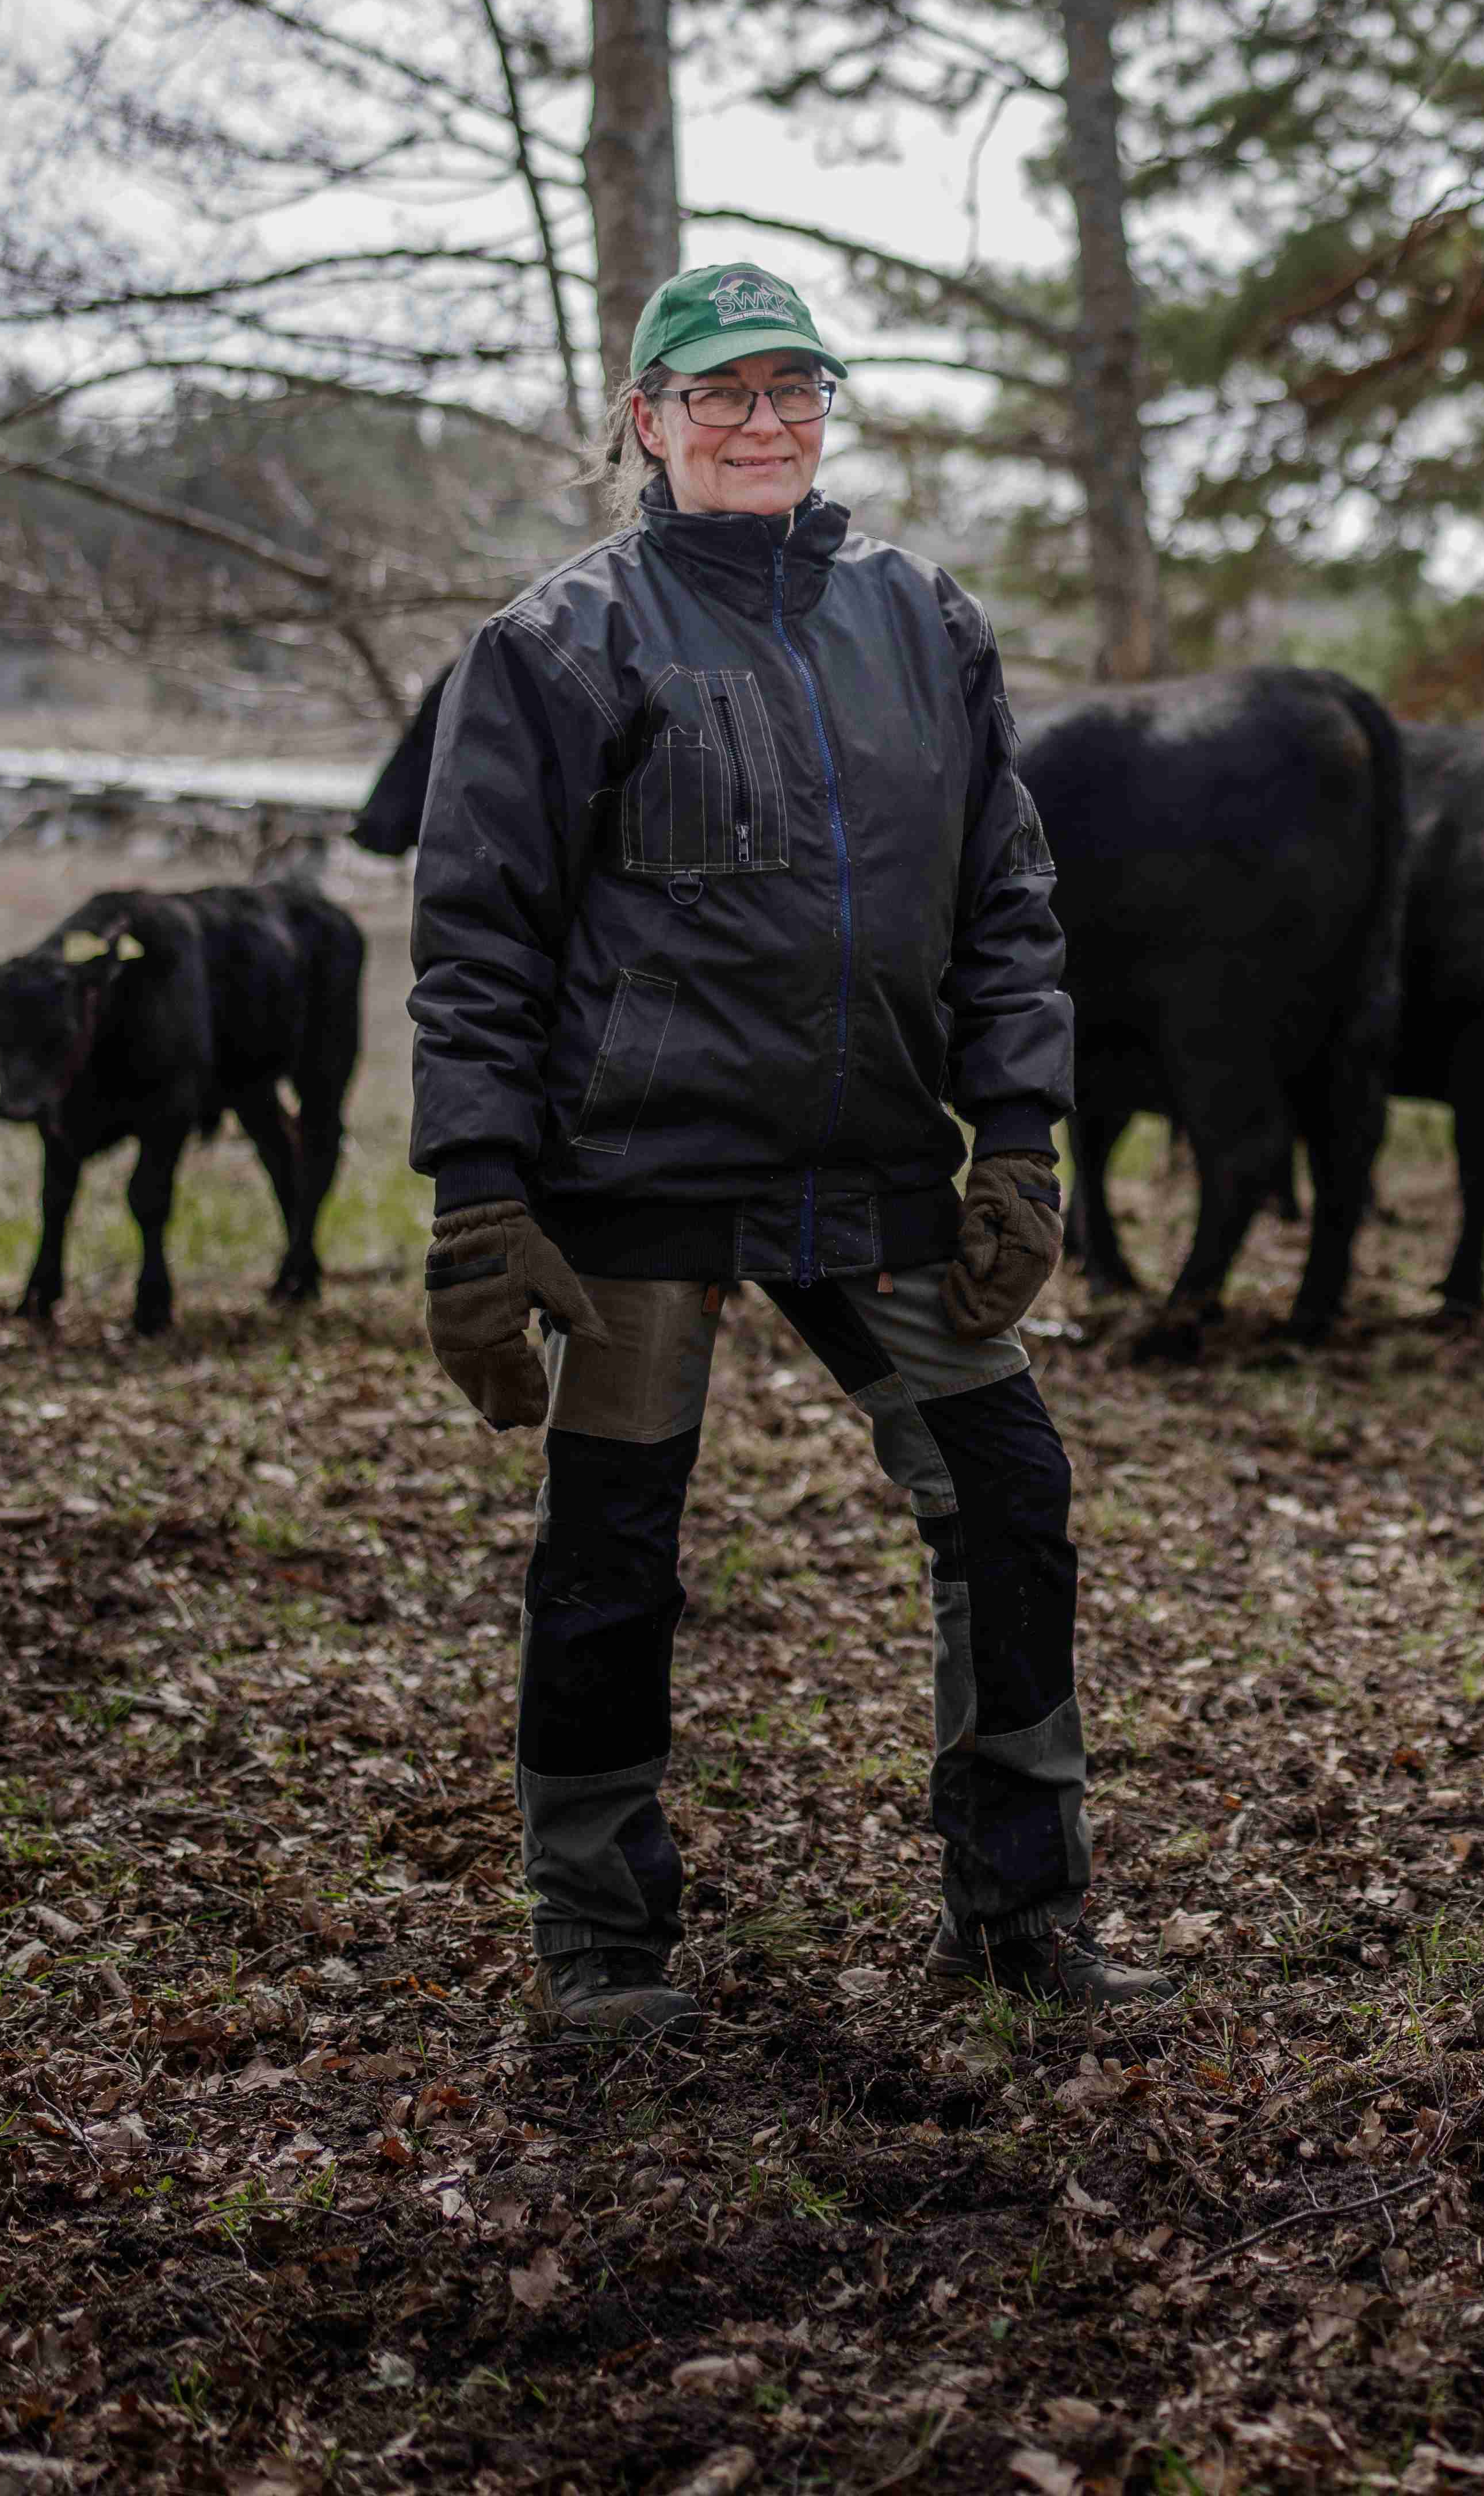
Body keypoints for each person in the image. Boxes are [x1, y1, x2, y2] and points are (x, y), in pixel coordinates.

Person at [405, 258, 1170, 2035]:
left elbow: (1009, 900)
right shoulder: (551, 646)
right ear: (647, 421)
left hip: (882, 1175)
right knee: (614, 1548)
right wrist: (476, 1197)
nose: (764, 423)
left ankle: (1018, 1910)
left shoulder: (923, 621)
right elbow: (480, 937)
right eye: (723, 394)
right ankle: (600, 1942)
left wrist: (1023, 1142)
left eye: (794, 392)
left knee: (1011, 1499)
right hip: (637, 1193)